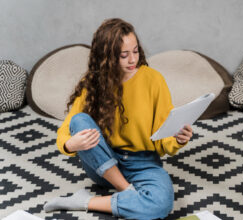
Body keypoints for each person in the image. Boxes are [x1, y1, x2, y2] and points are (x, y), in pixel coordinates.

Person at [43, 18, 193, 219]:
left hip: (144, 164)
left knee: (161, 205)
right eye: (124, 55)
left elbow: (162, 136)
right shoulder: (93, 83)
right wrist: (71, 144)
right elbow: (66, 130)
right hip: (103, 164)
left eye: (136, 51)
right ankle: (127, 191)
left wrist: (177, 138)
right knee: (79, 120)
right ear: (107, 57)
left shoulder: (154, 80)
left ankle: (84, 201)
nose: (133, 60)